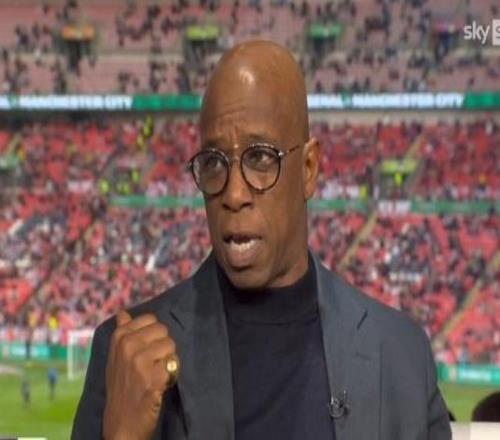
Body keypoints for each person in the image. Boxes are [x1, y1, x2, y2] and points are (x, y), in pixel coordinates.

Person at [72, 40, 451, 439]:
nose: (234, 194)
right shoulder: (125, 356)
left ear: (308, 169)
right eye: (214, 162)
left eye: (260, 158)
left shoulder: (402, 356)